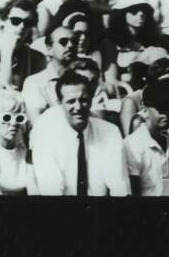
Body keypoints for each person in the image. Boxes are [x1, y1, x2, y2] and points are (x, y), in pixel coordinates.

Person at [30, 69, 129, 197]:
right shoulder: (45, 133)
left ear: (91, 100)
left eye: (83, 100)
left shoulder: (110, 132)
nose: (78, 107)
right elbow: (51, 191)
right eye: (71, 101)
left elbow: (119, 187)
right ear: (60, 104)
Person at [124, 82, 169, 197]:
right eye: (160, 108)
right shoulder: (131, 146)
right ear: (145, 108)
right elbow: (133, 195)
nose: (166, 114)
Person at [0, 0, 46, 90]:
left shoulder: (37, 57)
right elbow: (1, 91)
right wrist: (7, 53)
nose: (21, 26)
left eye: (28, 22)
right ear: (2, 21)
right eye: (15, 21)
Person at [101, 0, 168, 87]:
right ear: (122, 13)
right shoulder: (110, 44)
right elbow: (111, 81)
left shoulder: (153, 41)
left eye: (144, 10)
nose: (141, 14)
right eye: (134, 10)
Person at [21, 24, 78, 124]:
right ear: (49, 49)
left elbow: (98, 117)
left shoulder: (86, 78)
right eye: (63, 42)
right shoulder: (35, 83)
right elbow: (37, 123)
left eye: (74, 41)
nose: (70, 45)